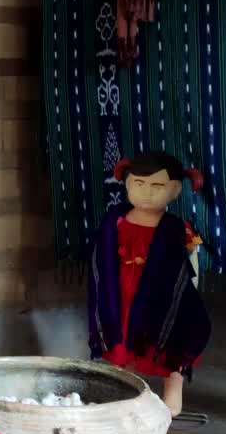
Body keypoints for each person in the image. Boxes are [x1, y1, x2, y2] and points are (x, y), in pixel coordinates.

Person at [87, 151, 211, 416]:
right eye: (139, 184)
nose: (147, 193)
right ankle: (128, 392)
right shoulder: (114, 222)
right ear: (127, 184)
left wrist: (189, 293)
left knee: (173, 342)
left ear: (175, 190)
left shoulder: (178, 228)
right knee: (121, 342)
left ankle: (171, 396)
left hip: (161, 297)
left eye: (157, 186)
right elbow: (101, 259)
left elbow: (190, 263)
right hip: (121, 296)